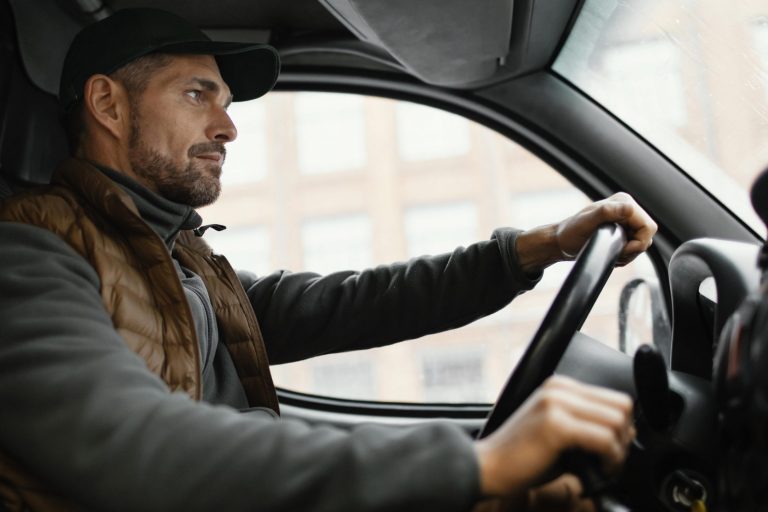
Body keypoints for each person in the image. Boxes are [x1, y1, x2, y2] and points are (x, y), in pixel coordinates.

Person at [0, 8, 654, 512]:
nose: (228, 128)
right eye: (198, 95)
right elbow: (131, 441)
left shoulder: (188, 263)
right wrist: (469, 465)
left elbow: (357, 302)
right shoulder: (27, 255)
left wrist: (539, 247)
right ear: (108, 105)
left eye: (226, 105)